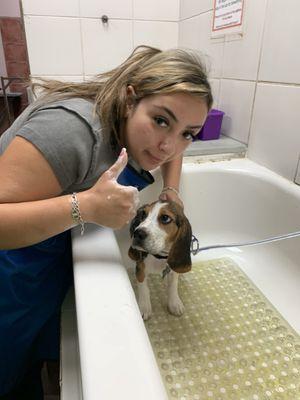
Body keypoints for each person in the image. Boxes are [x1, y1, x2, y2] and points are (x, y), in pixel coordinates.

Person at [0, 45, 212, 399]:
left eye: (188, 134)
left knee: (35, 356)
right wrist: (86, 206)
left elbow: (170, 147)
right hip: (9, 265)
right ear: (130, 101)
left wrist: (171, 188)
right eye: (161, 121)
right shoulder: (71, 131)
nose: (167, 148)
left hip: (47, 253)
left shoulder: (144, 134)